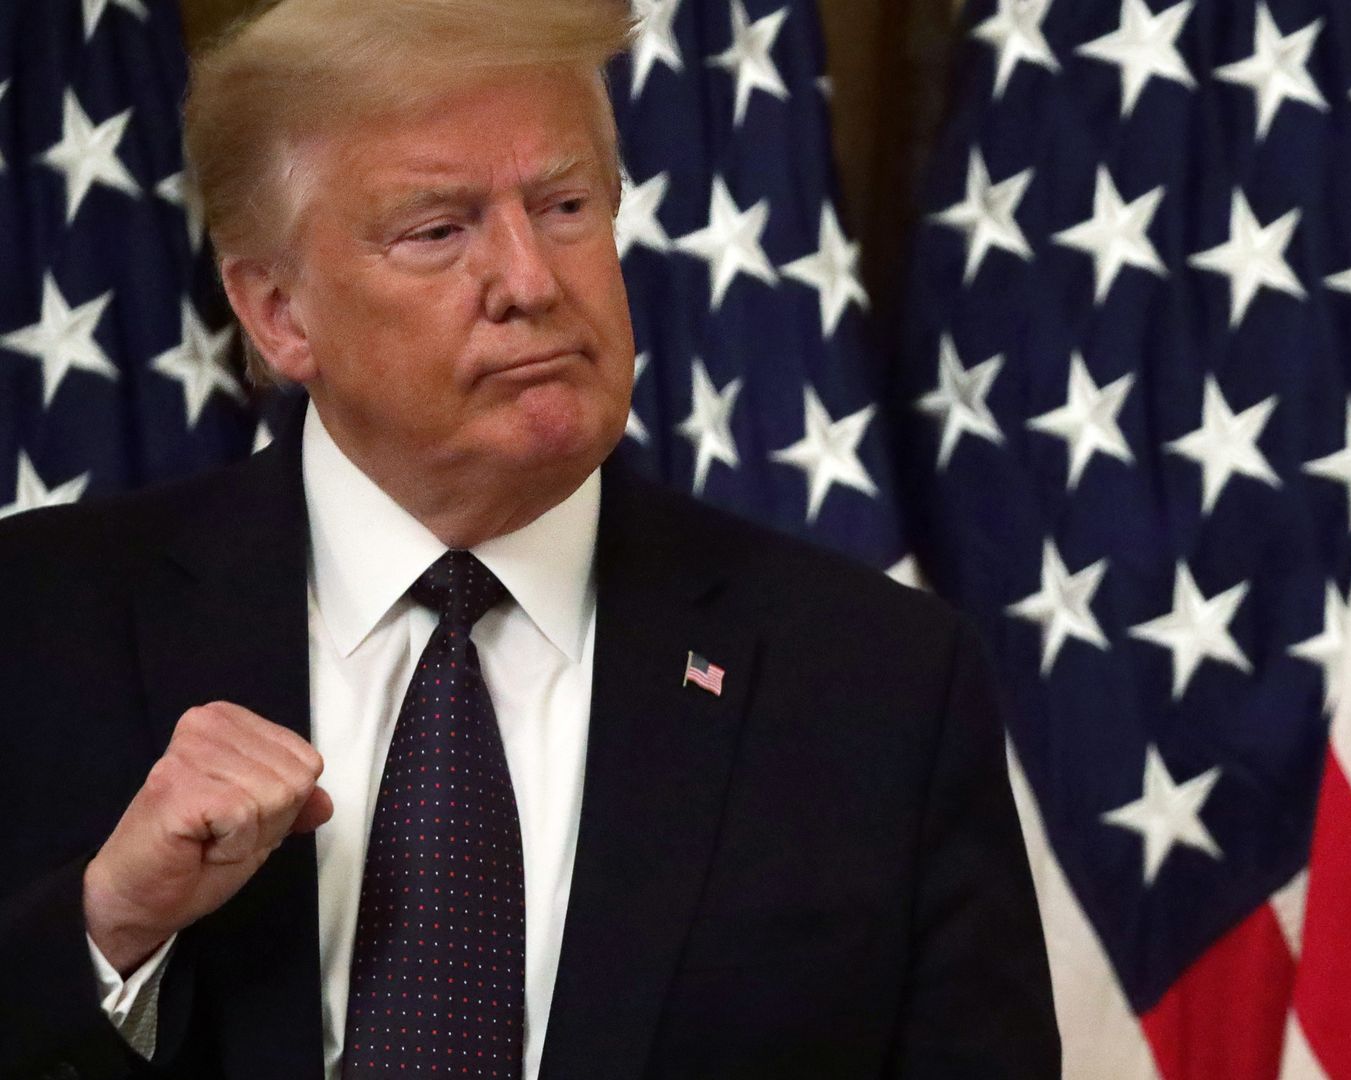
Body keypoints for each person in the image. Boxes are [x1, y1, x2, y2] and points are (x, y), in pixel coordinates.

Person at [0, 0, 1059, 1076]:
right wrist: (108, 929)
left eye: (563, 206)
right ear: (279, 313)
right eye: (438, 231)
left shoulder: (880, 679)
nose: (532, 281)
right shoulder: (41, 629)